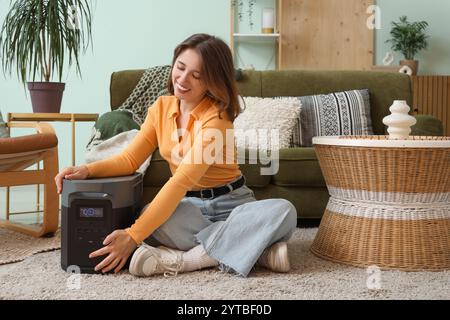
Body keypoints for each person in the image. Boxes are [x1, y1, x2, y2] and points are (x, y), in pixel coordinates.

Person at [54, 33, 297, 277]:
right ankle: (256, 250)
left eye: (197, 75)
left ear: (212, 82)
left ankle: (189, 260)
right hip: (189, 207)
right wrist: (87, 170)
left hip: (232, 204)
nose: (182, 79)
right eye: (180, 68)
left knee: (284, 211)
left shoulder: (217, 118)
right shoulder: (160, 108)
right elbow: (129, 160)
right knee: (150, 216)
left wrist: (132, 237)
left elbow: (181, 181)